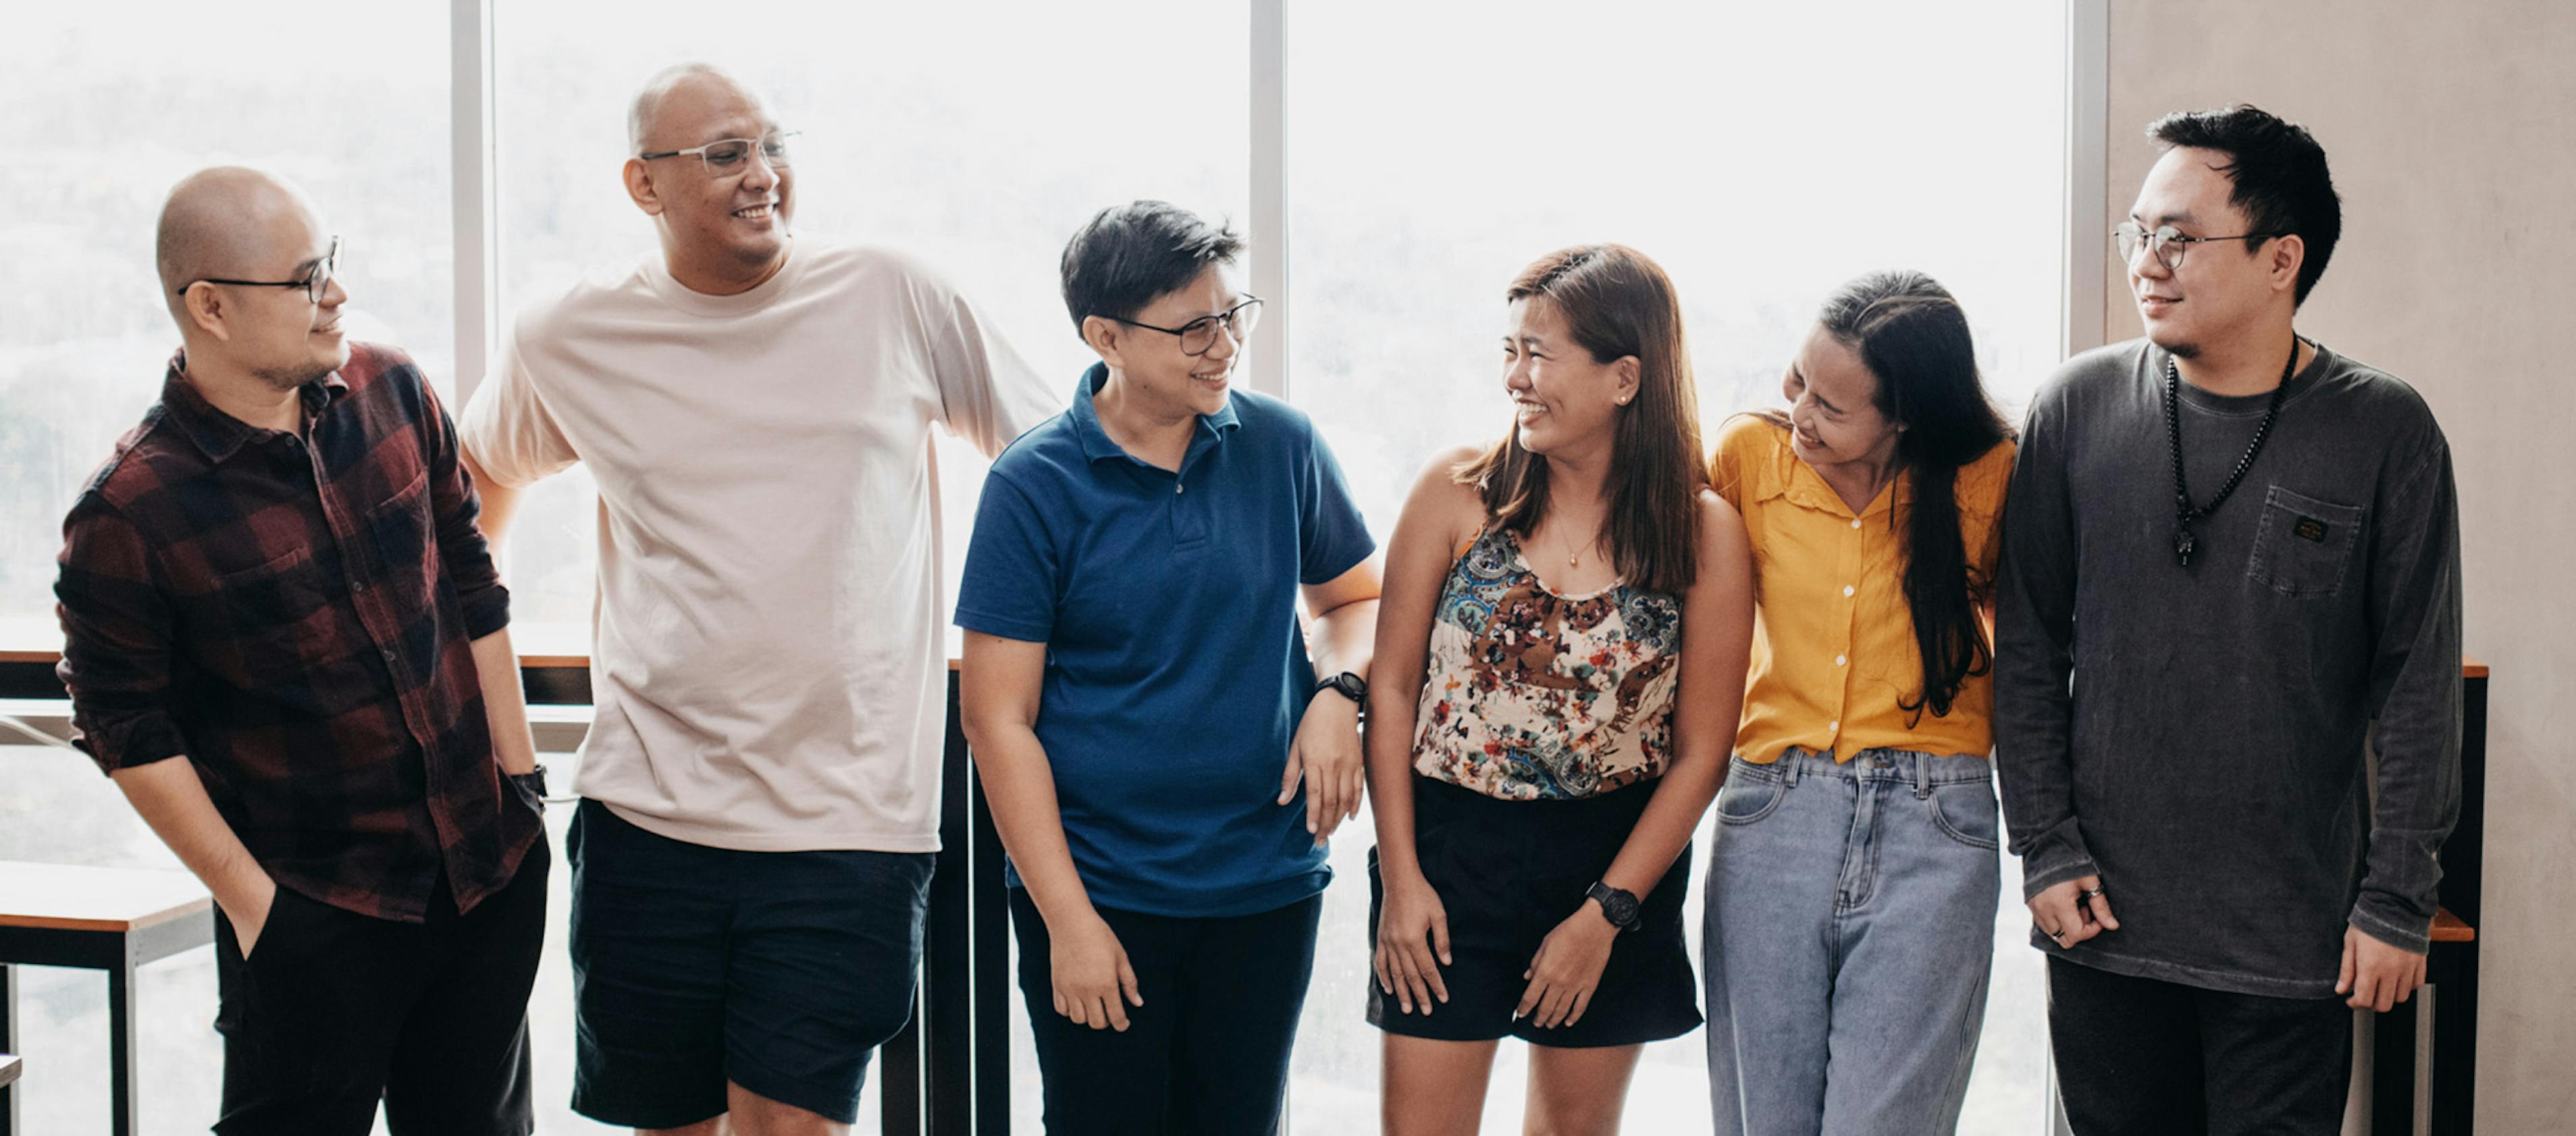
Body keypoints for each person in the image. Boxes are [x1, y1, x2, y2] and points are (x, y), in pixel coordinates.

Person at [458, 63, 1057, 1134]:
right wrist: (479, 671)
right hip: (647, 809)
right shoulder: (568, 333)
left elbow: (1051, 469)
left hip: (850, 821)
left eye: (773, 145)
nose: (763, 175)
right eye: (727, 154)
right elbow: (477, 485)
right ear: (645, 187)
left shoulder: (893, 292)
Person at [1995, 105, 2463, 1133]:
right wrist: (2045, 845)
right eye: (2138, 232)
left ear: (2280, 258)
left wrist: (2397, 899)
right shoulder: (2074, 408)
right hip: (2101, 923)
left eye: (2181, 236)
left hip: (2291, 939)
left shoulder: (2385, 428)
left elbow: (2418, 681)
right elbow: (2027, 648)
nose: (2148, 261)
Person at [55, 166, 548, 1135]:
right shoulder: (129, 510)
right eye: (307, 275)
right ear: (211, 307)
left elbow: (471, 580)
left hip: (483, 870)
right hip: (317, 913)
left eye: (333, 263)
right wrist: (260, 912)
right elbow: (126, 731)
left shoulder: (393, 389)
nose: (337, 293)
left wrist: (521, 780)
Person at [955, 200, 1382, 1135]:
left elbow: (1355, 598)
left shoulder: (1282, 444)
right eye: (1193, 327)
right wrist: (1068, 922)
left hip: (1264, 883)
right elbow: (998, 720)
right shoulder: (1034, 484)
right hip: (1103, 890)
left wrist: (1336, 695)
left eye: (1235, 315)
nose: (1224, 344)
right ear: (1104, 334)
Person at [1365, 244, 1750, 1135]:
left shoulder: (1703, 532)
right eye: (1510, 349)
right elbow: (1389, 690)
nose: (1515, 377)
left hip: (1613, 864)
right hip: (1449, 852)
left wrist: (1607, 915)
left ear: (1625, 377)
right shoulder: (1457, 492)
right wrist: (1401, 879)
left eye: (1538, 353)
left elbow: (1701, 754)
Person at [1700, 271, 2016, 1135]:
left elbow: (2033, 651)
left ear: (1905, 415)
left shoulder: (1990, 475)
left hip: (1937, 822)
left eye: (1832, 407)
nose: (1799, 411)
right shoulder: (1745, 458)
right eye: (1797, 380)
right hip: (1775, 810)